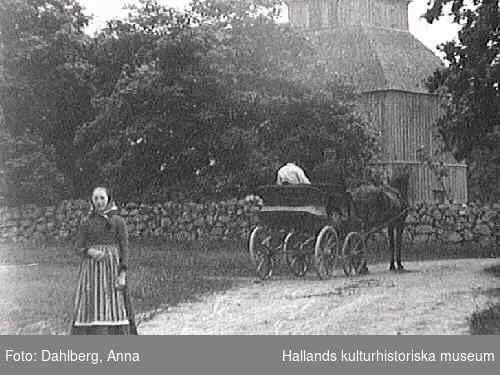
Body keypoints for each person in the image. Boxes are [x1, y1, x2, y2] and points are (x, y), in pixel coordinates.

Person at [70, 186, 138, 335]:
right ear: (92, 201)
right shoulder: (86, 222)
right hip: (92, 272)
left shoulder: (118, 221)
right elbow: (77, 247)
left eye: (102, 198)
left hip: (113, 270)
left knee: (116, 304)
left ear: (108, 199)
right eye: (96, 198)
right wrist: (89, 251)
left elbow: (125, 249)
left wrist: (122, 273)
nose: (99, 202)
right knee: (92, 304)